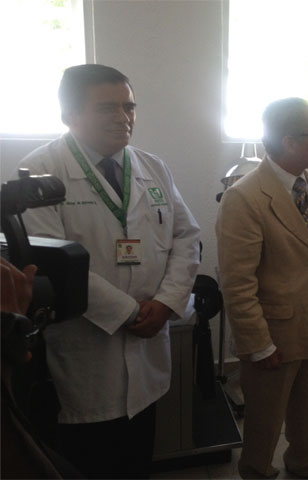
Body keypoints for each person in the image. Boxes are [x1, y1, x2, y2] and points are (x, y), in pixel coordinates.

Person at [16, 64, 201, 478]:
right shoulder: (41, 171)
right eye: (107, 108)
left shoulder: (153, 167)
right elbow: (53, 263)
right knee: (90, 462)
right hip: (87, 353)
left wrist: (167, 302)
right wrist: (130, 312)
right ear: (69, 115)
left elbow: (187, 236)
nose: (123, 117)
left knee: (137, 459)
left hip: (149, 344)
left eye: (129, 106)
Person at [216, 97, 308, 480]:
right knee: (265, 421)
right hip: (274, 336)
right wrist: (258, 344)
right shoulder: (244, 197)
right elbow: (237, 283)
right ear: (289, 141)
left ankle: (304, 467)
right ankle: (257, 471)